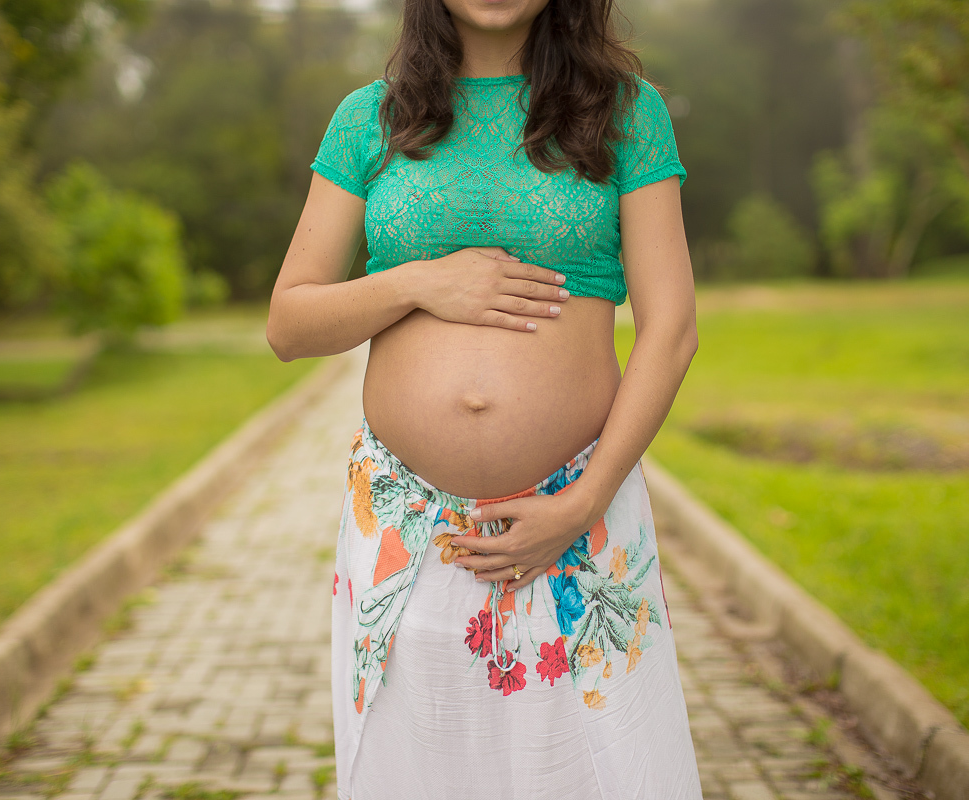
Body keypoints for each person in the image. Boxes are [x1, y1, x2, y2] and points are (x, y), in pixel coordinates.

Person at [267, 0, 702, 795]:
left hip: (579, 518)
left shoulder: (624, 114)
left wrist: (585, 502)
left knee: (595, 770)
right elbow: (290, 322)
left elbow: (670, 328)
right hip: (406, 527)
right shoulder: (372, 119)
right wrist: (420, 281)